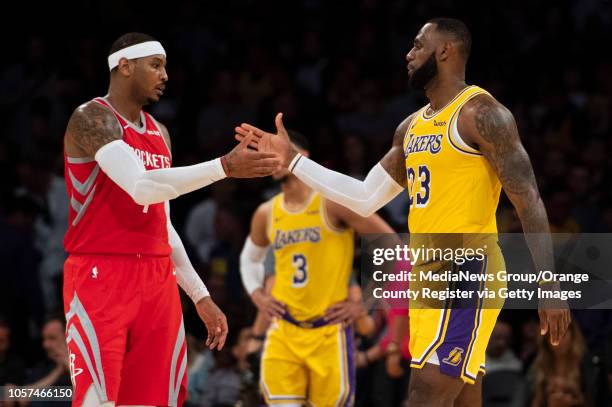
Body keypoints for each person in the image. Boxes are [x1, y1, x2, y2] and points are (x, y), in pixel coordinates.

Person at [235, 18, 571, 407]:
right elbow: (363, 197)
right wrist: (295, 163)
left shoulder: (483, 114)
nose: (408, 55)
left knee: (424, 396)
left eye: (417, 45)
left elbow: (528, 197)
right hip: (425, 274)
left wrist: (548, 282)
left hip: (468, 269)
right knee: (463, 398)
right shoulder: (409, 127)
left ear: (445, 51)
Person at [62, 32, 279, 406]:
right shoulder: (92, 117)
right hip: (101, 276)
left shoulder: (160, 134)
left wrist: (200, 295)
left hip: (157, 279)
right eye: (156, 65)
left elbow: (161, 223)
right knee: (97, 400)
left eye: (166, 67)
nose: (165, 76)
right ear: (125, 66)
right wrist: (224, 167)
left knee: (154, 399)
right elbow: (142, 187)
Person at [239, 131, 395, 406]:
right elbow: (249, 259)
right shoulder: (266, 212)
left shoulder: (332, 202)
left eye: (277, 149)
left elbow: (391, 245)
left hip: (329, 332)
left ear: (302, 156)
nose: (269, 156)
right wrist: (257, 295)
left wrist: (366, 303)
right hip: (284, 331)